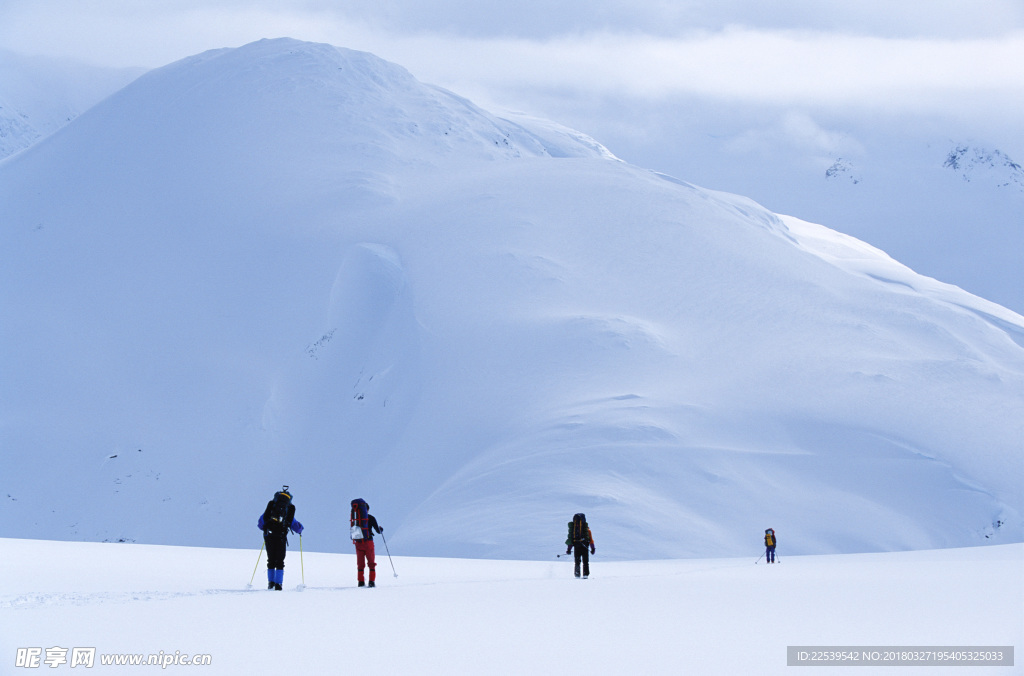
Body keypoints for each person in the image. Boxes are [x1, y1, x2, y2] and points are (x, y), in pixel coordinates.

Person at [257, 486, 304, 590]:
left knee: (271, 560)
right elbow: (294, 524)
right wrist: (300, 530)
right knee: (280, 561)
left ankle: (271, 583)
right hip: (281, 536)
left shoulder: (271, 507)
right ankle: (279, 584)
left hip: (269, 535)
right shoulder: (288, 509)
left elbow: (260, 524)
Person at [350, 498, 383, 587]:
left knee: (360, 564)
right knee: (371, 563)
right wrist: (381, 529)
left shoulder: (355, 519)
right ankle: (371, 582)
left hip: (358, 543)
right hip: (368, 542)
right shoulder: (371, 518)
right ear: (366, 510)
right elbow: (378, 531)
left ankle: (360, 582)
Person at [565, 513, 596, 579]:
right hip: (584, 546)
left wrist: (569, 549)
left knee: (577, 562)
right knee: (585, 562)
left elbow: (570, 540)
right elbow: (591, 540)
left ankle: (577, 575)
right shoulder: (587, 530)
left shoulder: (573, 530)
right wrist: (593, 549)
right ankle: (585, 575)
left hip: (577, 546)